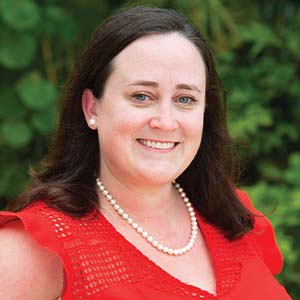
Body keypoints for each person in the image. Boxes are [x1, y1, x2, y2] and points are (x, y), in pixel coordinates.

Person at [0, 6, 291, 300]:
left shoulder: (234, 220)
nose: (165, 122)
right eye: (141, 96)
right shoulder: (41, 246)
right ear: (92, 108)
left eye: (185, 99)